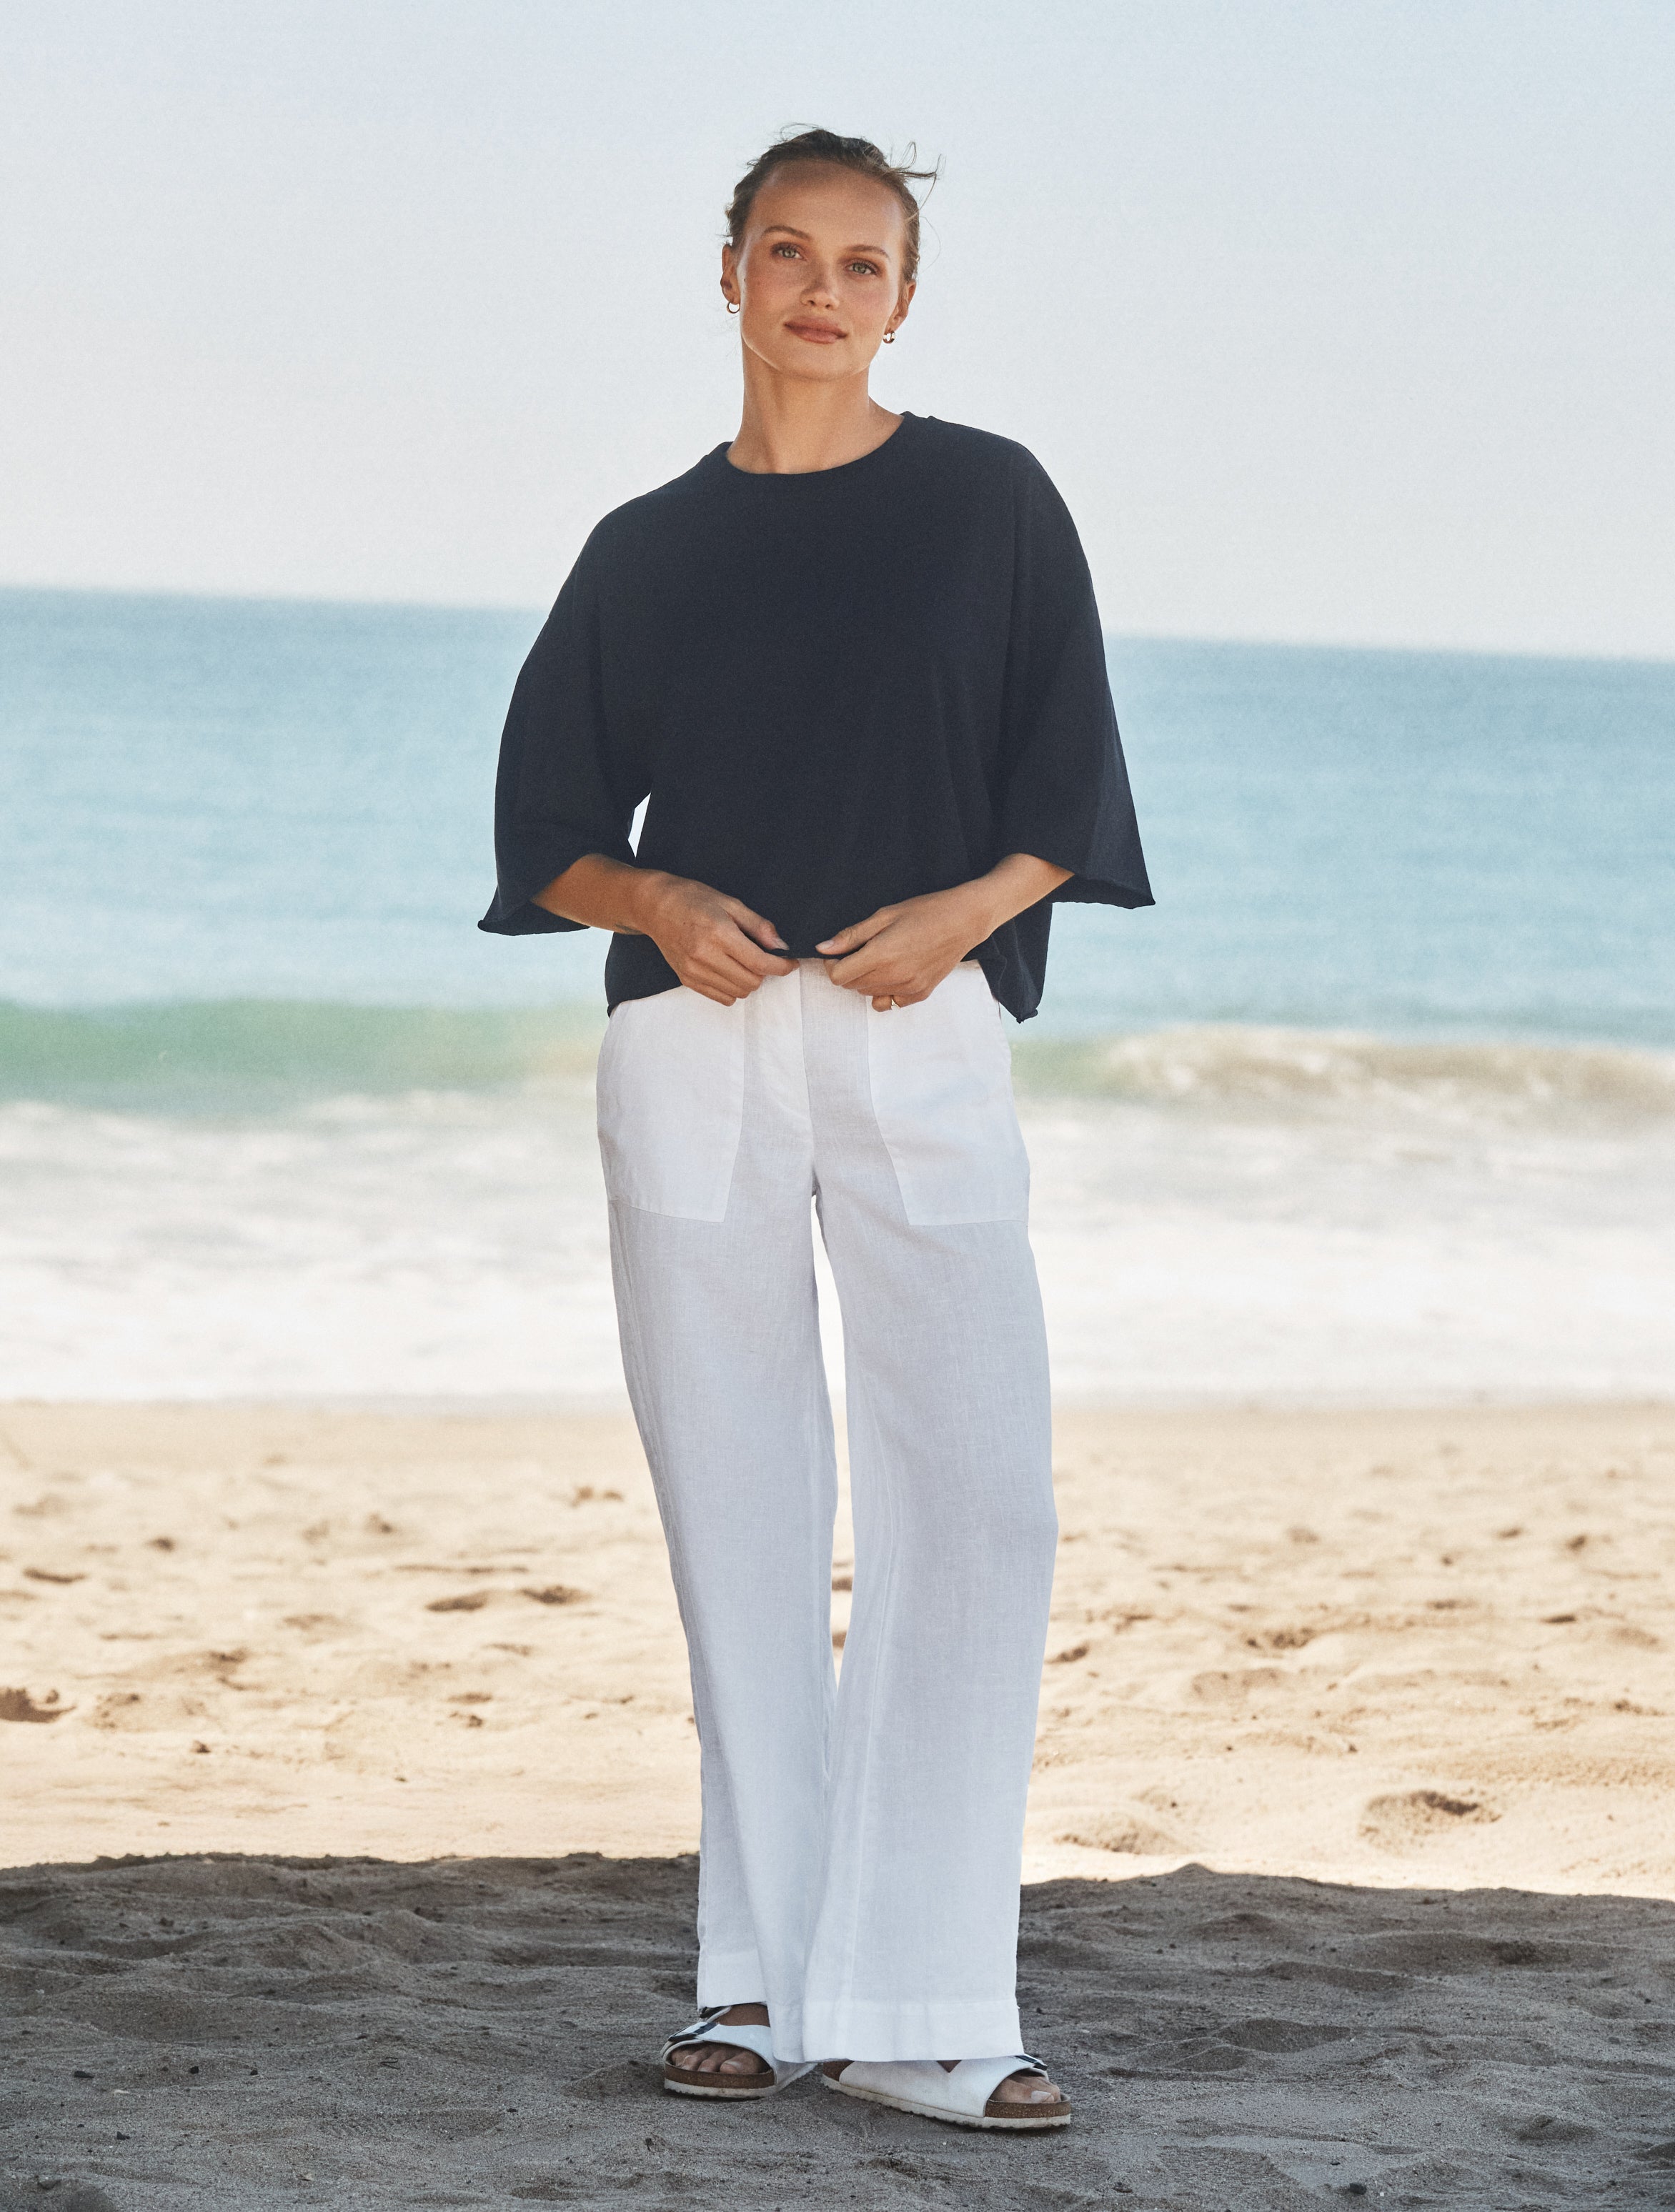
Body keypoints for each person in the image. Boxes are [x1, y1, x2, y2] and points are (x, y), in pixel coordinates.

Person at [480, 126, 1151, 2133]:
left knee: (981, 1495)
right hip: (692, 1050)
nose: (822, 292)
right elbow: (544, 827)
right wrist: (657, 901)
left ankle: (932, 2003)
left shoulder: (989, 502)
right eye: (789, 253)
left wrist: (961, 919)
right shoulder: (645, 546)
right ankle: (767, 1985)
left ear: (904, 298)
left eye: (863, 263)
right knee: (739, 1507)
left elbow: (1067, 786)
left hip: (917, 1035)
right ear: (731, 275)